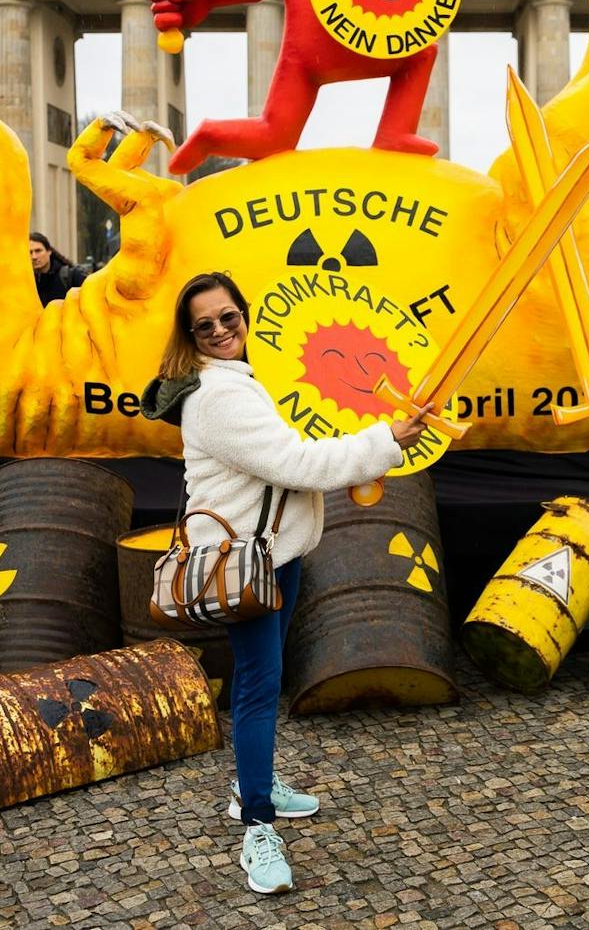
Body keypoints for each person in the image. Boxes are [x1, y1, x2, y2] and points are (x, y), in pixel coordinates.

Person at [142, 271, 428, 895]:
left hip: (271, 554)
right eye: (205, 325)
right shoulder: (219, 395)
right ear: (189, 335)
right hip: (243, 565)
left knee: (261, 680)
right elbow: (295, 464)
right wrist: (385, 440)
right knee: (256, 686)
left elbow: (279, 463)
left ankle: (257, 785)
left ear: (243, 314)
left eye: (228, 316)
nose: (221, 330)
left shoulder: (231, 379)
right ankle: (256, 825)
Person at [30, 233, 88, 304]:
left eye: (38, 251)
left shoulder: (72, 275)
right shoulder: (26, 282)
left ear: (49, 251)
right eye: (30, 252)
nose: (34, 257)